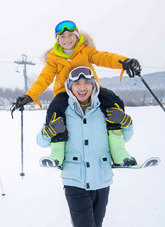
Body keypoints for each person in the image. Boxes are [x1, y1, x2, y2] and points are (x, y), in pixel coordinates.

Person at [15, 20, 140, 166]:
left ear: (77, 36)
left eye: (70, 35)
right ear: (57, 40)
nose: (66, 39)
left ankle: (119, 152)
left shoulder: (86, 51)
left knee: (113, 101)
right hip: (64, 92)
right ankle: (57, 154)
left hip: (90, 89)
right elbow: (44, 78)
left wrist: (124, 62)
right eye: (62, 37)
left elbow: (105, 58)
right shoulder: (54, 57)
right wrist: (30, 95)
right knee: (55, 111)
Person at [37, 66, 134, 227]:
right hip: (74, 180)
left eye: (86, 83)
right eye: (77, 84)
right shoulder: (62, 108)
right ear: (70, 86)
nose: (82, 88)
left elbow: (125, 137)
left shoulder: (105, 107)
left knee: (97, 223)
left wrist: (127, 122)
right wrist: (49, 131)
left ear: (93, 85)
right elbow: (41, 142)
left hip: (102, 179)